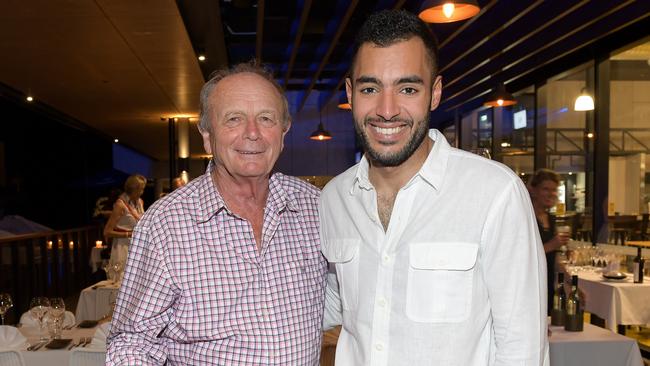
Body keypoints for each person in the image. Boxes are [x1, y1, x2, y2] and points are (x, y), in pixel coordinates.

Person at [319, 10, 548, 365]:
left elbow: (522, 348)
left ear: (435, 93)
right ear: (351, 93)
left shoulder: (494, 193)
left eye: (407, 88)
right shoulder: (334, 199)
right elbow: (334, 304)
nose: (387, 109)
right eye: (370, 88)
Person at [106, 63, 328, 365]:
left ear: (284, 131)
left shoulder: (317, 209)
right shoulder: (166, 225)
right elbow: (132, 343)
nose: (253, 133)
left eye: (266, 118)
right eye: (234, 119)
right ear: (207, 135)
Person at [528, 168, 570, 314]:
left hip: (547, 285)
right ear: (533, 191)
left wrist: (572, 283)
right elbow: (522, 257)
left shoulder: (551, 219)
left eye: (554, 190)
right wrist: (552, 245)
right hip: (529, 286)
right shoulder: (525, 218)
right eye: (546, 189)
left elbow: (555, 259)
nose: (551, 194)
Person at [103, 175, 146, 265]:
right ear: (133, 189)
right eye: (140, 189)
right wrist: (128, 234)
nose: (142, 192)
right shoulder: (120, 205)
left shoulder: (140, 202)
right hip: (123, 248)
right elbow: (107, 232)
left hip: (137, 248)